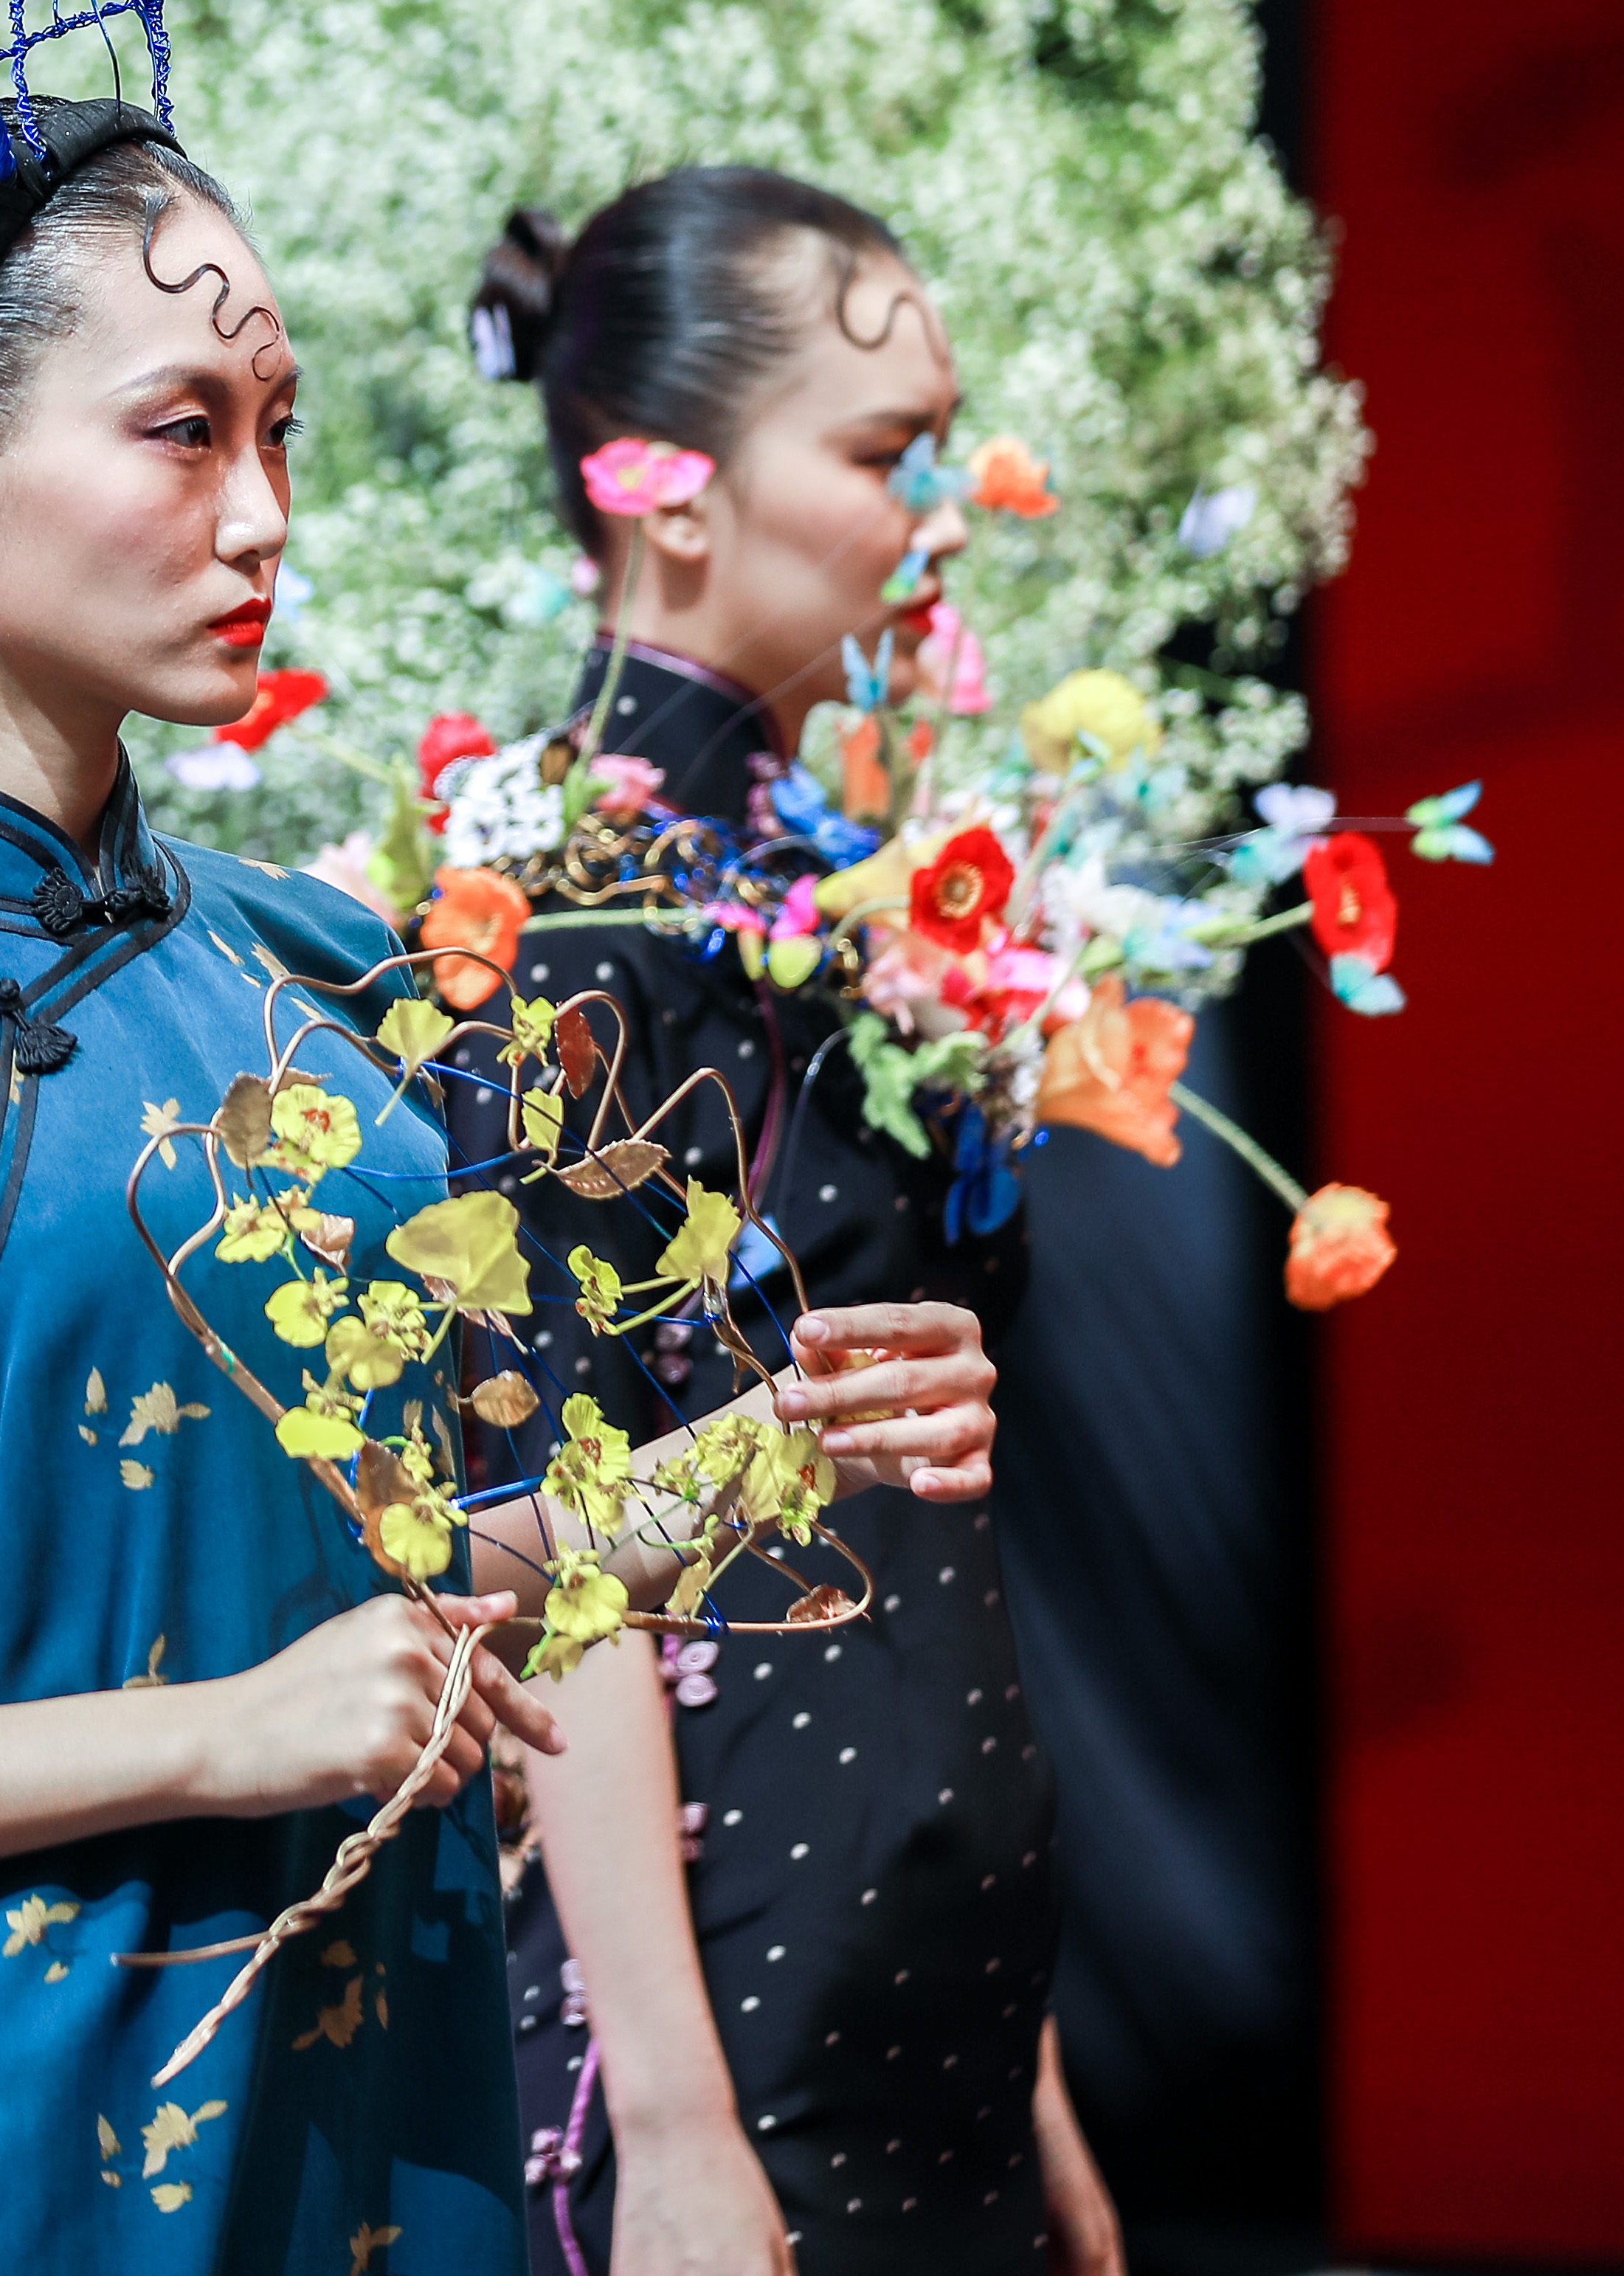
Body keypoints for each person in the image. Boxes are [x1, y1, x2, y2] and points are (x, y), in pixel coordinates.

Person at [0, 101, 1003, 2276]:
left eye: (275, 431)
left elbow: (349, 1580)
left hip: (394, 2140)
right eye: (184, 429)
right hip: (8, 2168)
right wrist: (212, 1739)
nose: (262, 510)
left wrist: (756, 1467)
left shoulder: (320, 973)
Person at [465, 171, 1122, 2275]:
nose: (940, 513)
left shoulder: (836, 899)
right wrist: (666, 2122)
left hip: (931, 1995)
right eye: (881, 452)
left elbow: (916, 1530)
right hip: (731, 2028)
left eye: (942, 448)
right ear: (662, 488)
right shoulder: (556, 920)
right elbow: (550, 1555)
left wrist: (1027, 2070)